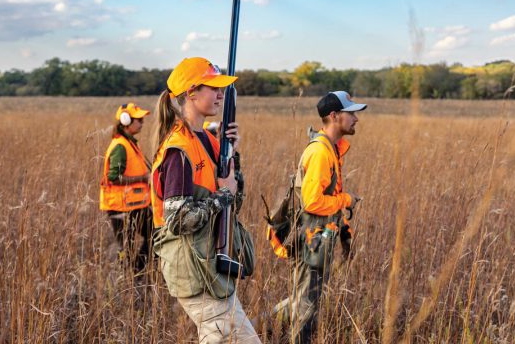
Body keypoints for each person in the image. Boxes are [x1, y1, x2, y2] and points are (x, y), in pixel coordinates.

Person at [151, 57, 260, 343]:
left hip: (209, 268)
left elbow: (234, 203)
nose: (221, 94)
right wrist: (223, 194)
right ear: (191, 92)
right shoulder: (179, 149)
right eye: (213, 87)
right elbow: (177, 220)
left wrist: (232, 155)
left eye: (221, 88)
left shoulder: (209, 141)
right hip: (195, 272)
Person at [273, 91, 366, 343]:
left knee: (304, 299)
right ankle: (258, 328)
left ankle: (260, 326)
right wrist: (347, 200)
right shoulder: (321, 152)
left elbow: (327, 196)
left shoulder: (331, 149)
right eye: (351, 113)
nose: (356, 118)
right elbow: (313, 202)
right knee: (306, 309)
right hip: (310, 242)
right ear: (334, 116)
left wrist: (345, 233)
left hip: (318, 240)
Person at [99, 103, 153, 272]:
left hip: (136, 204)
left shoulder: (130, 143)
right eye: (139, 120)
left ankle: (136, 271)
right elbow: (113, 178)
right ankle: (128, 279)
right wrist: (143, 178)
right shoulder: (120, 146)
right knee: (125, 247)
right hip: (121, 206)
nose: (142, 122)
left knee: (156, 235)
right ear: (126, 121)